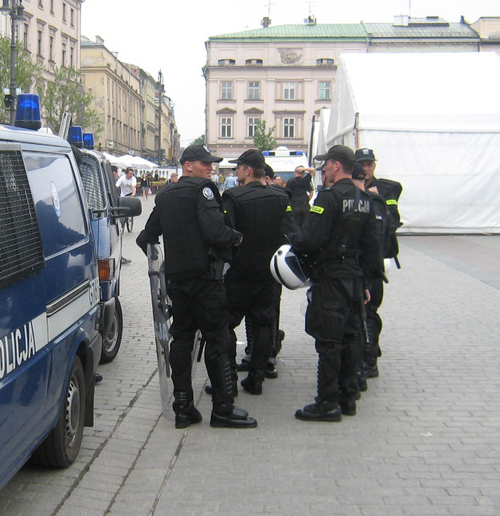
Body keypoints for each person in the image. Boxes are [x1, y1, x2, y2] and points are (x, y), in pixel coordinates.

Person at [136, 144, 257, 429]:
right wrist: (237, 239)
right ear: (188, 165)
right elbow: (215, 231)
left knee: (181, 340)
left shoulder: (165, 195)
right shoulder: (203, 191)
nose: (210, 168)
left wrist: (163, 263)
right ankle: (223, 409)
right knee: (218, 340)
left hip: (178, 282)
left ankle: (183, 408)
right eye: (205, 163)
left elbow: (146, 236)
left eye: (211, 164)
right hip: (206, 281)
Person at [289, 145, 379, 422]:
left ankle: (327, 403)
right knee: (352, 335)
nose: (323, 169)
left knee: (329, 340)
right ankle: (348, 397)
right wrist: (363, 279)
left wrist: (293, 236)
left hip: (330, 278)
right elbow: (373, 246)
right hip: (353, 278)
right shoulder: (365, 199)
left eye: (326, 164)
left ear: (336, 165)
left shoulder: (328, 198)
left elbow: (310, 239)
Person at [221, 149, 290, 396]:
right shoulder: (281, 197)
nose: (235, 171)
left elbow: (225, 234)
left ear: (248, 170)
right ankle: (256, 378)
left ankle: (227, 378)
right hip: (269, 273)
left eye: (238, 167)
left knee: (225, 324)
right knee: (264, 325)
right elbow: (289, 234)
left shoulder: (233, 196)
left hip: (240, 273)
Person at [355, 148, 402, 379]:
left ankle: (370, 360)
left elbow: (393, 218)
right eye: (362, 164)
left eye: (369, 164)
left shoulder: (385, 189)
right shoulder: (350, 187)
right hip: (355, 260)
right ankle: (363, 353)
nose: (366, 169)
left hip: (373, 263)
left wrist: (377, 199)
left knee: (370, 313)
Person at [350, 164, 389, 391]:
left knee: (364, 318)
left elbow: (375, 242)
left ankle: (368, 362)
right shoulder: (376, 200)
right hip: (371, 270)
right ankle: (366, 362)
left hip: (366, 271)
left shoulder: (371, 201)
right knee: (366, 317)